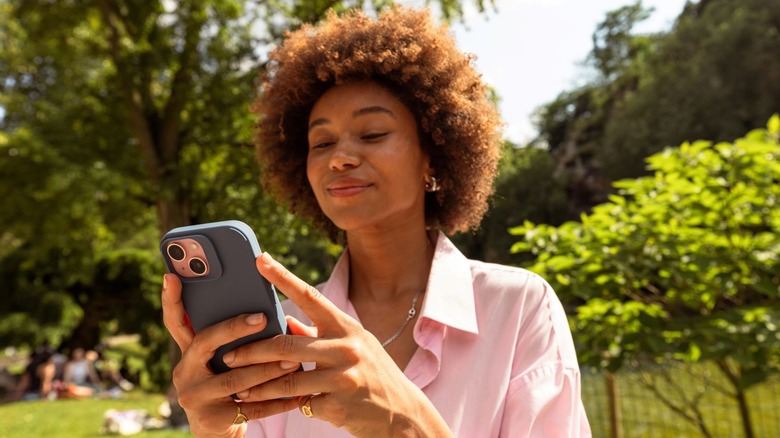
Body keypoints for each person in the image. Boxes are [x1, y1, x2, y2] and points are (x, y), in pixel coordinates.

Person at [162, 5, 592, 437]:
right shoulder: (281, 336)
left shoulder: (517, 307)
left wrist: (404, 423)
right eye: (322, 142)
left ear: (433, 158)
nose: (340, 158)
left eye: (372, 134)